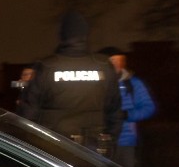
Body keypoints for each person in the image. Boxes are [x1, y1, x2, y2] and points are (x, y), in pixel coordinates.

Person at [21, 11, 122, 150]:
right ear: (85, 34)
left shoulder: (47, 66)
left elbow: (28, 112)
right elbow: (115, 111)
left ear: (62, 35)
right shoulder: (103, 66)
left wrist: (35, 145)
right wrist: (109, 141)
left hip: (55, 148)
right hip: (94, 150)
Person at [99, 47, 156, 167]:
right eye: (113, 60)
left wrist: (127, 114)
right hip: (97, 141)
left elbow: (149, 107)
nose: (118, 64)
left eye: (121, 60)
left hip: (125, 141)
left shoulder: (134, 83)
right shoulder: (94, 83)